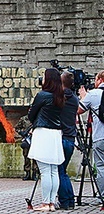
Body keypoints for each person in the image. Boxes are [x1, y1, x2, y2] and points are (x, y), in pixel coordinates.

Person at [27, 68, 65, 212]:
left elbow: (32, 115)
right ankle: (51, 202)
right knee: (53, 170)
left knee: (44, 170)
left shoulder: (42, 95)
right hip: (55, 134)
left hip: (43, 133)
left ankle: (44, 203)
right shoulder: (60, 96)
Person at [78, 70, 104, 198]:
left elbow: (78, 110)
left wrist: (83, 97)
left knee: (101, 166)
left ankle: (103, 196)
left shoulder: (93, 94)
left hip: (100, 136)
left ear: (100, 80)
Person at [57, 71, 79, 210]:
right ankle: (70, 200)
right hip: (71, 137)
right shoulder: (75, 98)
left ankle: (65, 201)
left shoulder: (59, 98)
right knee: (63, 171)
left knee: (59, 171)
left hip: (60, 136)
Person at [14, 115, 37, 181]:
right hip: (26, 140)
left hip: (35, 140)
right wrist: (22, 132)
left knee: (35, 158)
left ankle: (34, 174)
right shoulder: (24, 119)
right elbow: (17, 128)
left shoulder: (38, 118)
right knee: (26, 157)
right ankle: (27, 173)